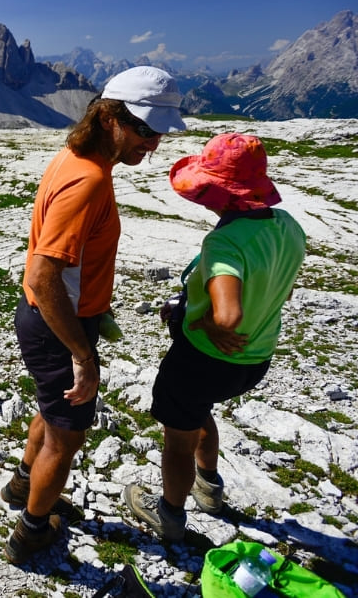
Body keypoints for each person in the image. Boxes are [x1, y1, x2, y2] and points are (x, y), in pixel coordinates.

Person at [0, 66, 187, 562]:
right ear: (109, 118)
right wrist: (83, 355)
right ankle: (31, 532)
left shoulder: (74, 157)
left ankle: (23, 486)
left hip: (50, 317)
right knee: (67, 437)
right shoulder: (88, 180)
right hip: (59, 325)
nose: (153, 144)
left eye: (160, 131)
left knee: (51, 409)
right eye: (145, 130)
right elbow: (44, 275)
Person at [124, 133, 305, 541]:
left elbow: (227, 316)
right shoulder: (288, 226)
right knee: (199, 411)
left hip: (204, 359)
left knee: (177, 439)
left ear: (224, 192)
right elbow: (284, 287)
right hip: (255, 359)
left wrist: (199, 322)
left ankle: (168, 514)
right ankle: (210, 488)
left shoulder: (224, 242)